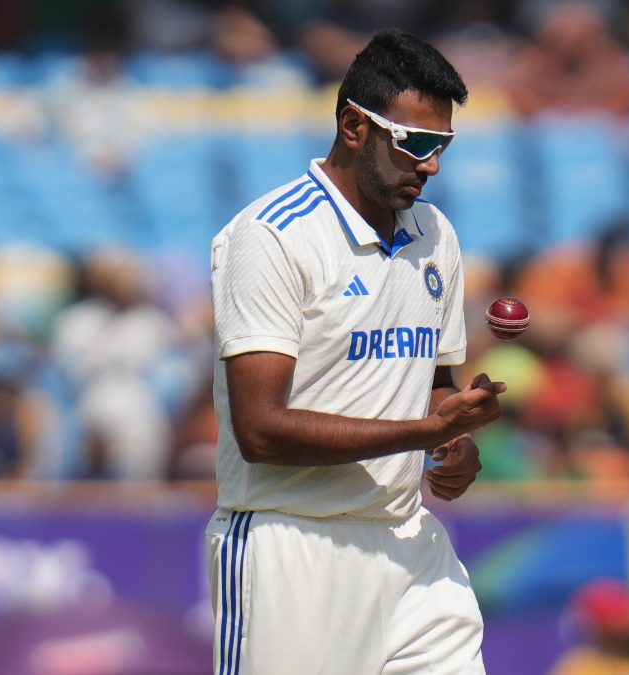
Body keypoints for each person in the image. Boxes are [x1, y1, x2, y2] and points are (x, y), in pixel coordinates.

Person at [208, 29, 506, 674]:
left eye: (442, 146)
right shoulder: (271, 236)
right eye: (415, 144)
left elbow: (433, 384)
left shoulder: (435, 233)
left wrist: (453, 439)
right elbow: (260, 430)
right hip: (292, 540)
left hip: (408, 540)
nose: (430, 166)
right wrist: (425, 431)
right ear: (353, 126)